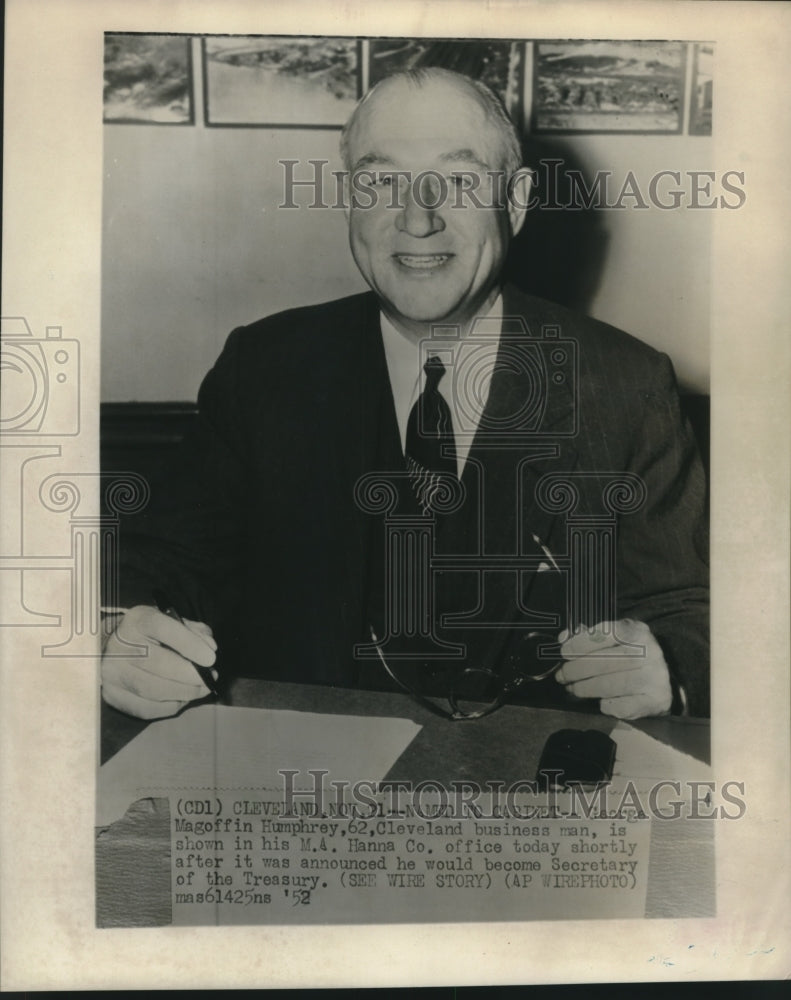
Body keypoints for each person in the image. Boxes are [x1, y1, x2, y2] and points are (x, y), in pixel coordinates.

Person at [101, 68, 709, 722]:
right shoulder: (264, 368)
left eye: (457, 179)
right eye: (381, 179)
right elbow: (160, 563)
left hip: (526, 794)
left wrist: (666, 665)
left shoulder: (625, 382)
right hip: (304, 784)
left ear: (516, 201)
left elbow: (684, 610)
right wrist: (116, 636)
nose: (417, 218)